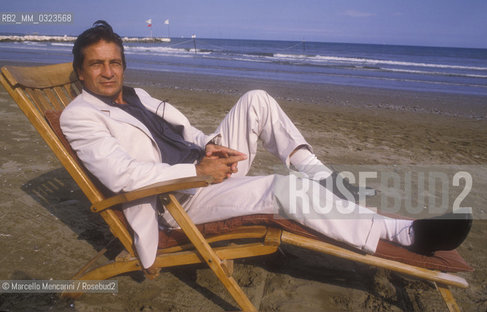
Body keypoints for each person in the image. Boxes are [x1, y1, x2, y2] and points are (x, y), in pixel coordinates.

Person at [60, 21, 472, 270]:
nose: (108, 71)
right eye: (97, 64)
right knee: (281, 189)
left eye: (114, 62)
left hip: (203, 168)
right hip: (175, 200)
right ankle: (402, 233)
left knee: (256, 98)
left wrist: (210, 149)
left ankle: (322, 177)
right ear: (81, 71)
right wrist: (197, 172)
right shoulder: (79, 116)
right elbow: (123, 175)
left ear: (124, 65)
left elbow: (180, 136)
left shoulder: (136, 95)